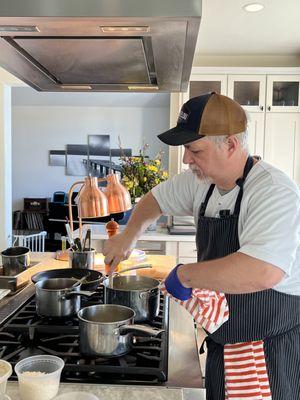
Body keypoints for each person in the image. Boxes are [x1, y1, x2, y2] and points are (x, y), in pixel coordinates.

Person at [103, 92, 300, 400]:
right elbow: (156, 198)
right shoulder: (201, 181)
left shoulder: (272, 191)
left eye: (195, 149)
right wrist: (128, 236)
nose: (186, 159)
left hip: (267, 350)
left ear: (231, 144)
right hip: (225, 339)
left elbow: (263, 271)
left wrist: (185, 276)